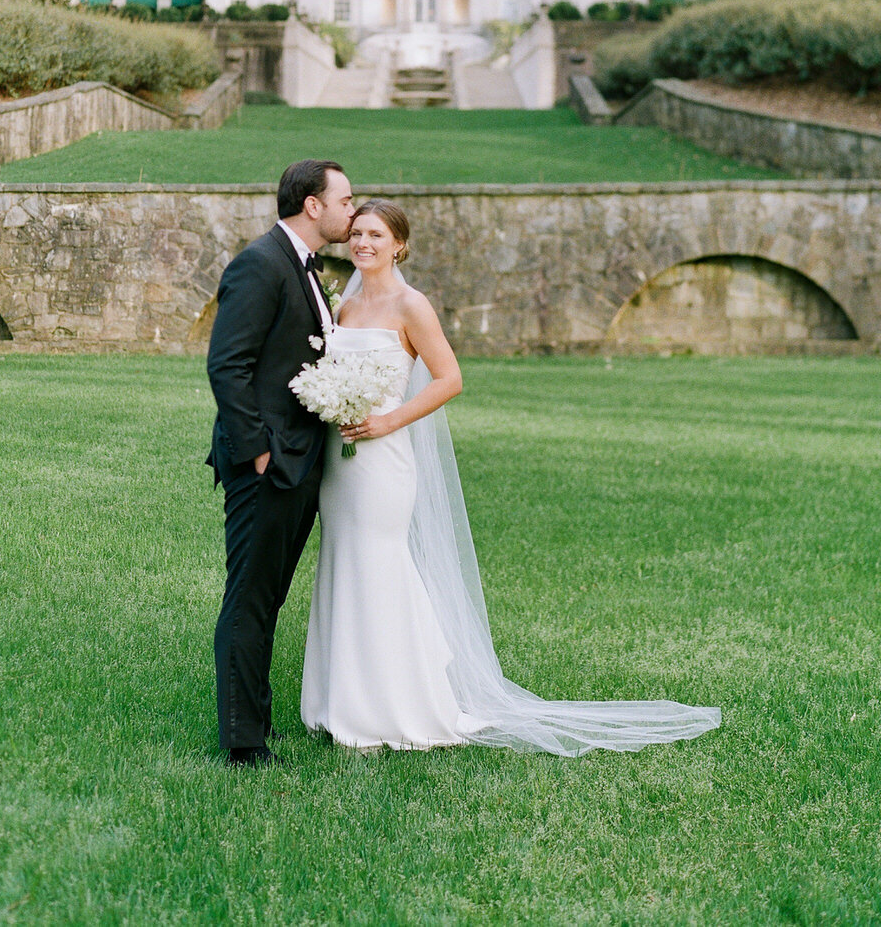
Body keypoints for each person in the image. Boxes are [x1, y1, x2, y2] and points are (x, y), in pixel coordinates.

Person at [301, 199, 721, 755]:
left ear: (399, 244)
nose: (363, 243)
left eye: (377, 235)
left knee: (381, 565)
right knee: (343, 561)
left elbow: (449, 379)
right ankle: (341, 700)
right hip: (339, 462)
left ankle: (398, 706)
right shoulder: (344, 308)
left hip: (384, 459)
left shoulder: (412, 305)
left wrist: (386, 421)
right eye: (357, 234)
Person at [207, 158, 354, 768]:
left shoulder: (305, 268)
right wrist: (259, 452)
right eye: (346, 199)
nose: (354, 208)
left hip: (300, 462)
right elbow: (228, 365)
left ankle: (257, 720)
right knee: (248, 597)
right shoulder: (260, 264)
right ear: (312, 205)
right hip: (268, 466)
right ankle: (243, 742)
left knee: (267, 598)